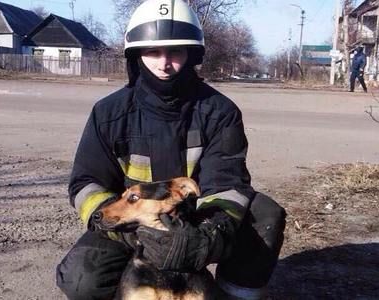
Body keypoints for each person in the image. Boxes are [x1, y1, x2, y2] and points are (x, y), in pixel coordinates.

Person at [55, 1, 286, 299]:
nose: (164, 63)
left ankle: (233, 295)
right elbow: (87, 183)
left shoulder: (220, 112)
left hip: (197, 225)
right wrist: (134, 232)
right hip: (131, 224)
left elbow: (227, 185)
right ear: (137, 54)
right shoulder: (108, 113)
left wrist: (205, 238)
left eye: (175, 51)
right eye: (153, 51)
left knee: (264, 214)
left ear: (191, 55)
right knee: (81, 280)